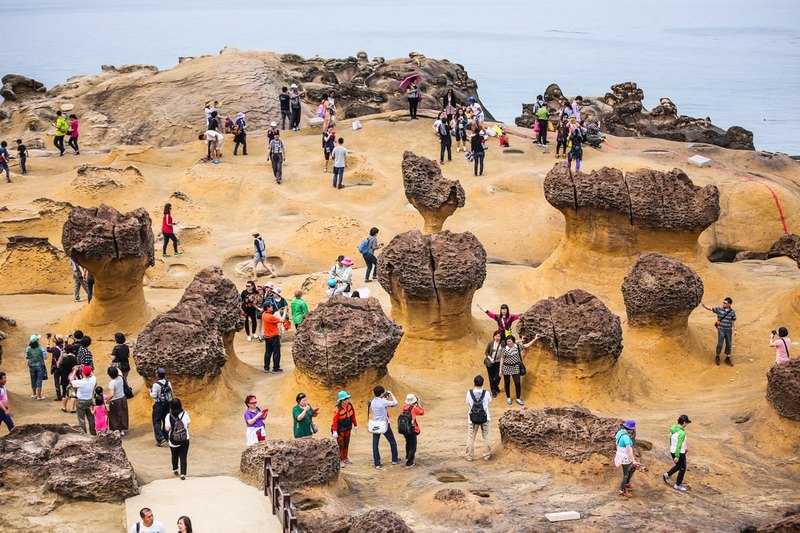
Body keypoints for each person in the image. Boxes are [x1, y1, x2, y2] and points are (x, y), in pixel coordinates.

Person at [500, 335, 540, 406]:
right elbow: (502, 359)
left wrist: (535, 338)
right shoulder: (504, 349)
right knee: (507, 383)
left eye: (510, 341)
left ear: (513, 341)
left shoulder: (517, 346)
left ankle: (518, 398)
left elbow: (527, 345)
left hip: (515, 367)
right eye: (507, 341)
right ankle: (508, 397)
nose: (508, 343)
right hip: (506, 367)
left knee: (517, 382)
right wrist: (500, 370)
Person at [369, 386, 400, 469]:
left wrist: (384, 398)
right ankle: (395, 459)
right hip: (384, 424)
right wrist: (391, 394)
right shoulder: (383, 402)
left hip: (375, 425)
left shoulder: (372, 402)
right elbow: (395, 403)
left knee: (375, 444)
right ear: (382, 393)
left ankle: (377, 463)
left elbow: (379, 402)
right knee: (392, 441)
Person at [701, 297, 737, 366]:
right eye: (723, 302)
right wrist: (704, 305)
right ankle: (717, 356)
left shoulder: (732, 312)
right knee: (720, 343)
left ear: (729, 304)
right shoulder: (719, 309)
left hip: (728, 330)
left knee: (729, 344)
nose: (723, 304)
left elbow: (734, 321)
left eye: (725, 303)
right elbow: (710, 309)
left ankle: (728, 358)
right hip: (721, 329)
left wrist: (735, 330)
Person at [465, 375, 492, 461]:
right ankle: (486, 455)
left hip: (472, 418)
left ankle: (469, 456)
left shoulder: (469, 393)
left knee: (471, 436)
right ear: (482, 383)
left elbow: (467, 403)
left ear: (474, 383)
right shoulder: (486, 393)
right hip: (485, 417)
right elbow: (489, 401)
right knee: (486, 436)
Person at [663, 414, 691, 492]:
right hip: (679, 452)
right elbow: (679, 445)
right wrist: (677, 456)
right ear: (684, 422)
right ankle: (677, 485)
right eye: (687, 423)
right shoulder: (681, 433)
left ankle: (667, 475)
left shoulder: (673, 428)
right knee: (682, 468)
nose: (687, 424)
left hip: (673, 450)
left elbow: (671, 440)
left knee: (679, 466)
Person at [165, 398, 191, 479]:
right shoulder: (185, 414)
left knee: (174, 455)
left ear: (171, 406)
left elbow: (167, 428)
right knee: (183, 456)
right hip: (185, 439)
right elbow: (187, 425)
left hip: (174, 440)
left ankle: (175, 469)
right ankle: (183, 474)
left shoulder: (168, 416)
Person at [331, 391, 357, 467]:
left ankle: (345, 457)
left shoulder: (350, 406)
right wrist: (335, 431)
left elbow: (353, 416)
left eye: (347, 399)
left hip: (348, 428)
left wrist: (355, 425)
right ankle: (340, 459)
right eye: (345, 399)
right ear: (341, 400)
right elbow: (335, 420)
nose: (347, 400)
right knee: (340, 445)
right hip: (340, 430)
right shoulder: (337, 408)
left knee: (346, 444)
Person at [615, 419, 640, 497]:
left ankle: (627, 483)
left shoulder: (620, 432)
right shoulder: (625, 437)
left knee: (632, 468)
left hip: (621, 455)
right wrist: (634, 460)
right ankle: (622, 490)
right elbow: (629, 450)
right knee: (626, 474)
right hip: (625, 457)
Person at [400, 393, 424, 468]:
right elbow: (422, 412)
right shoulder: (414, 408)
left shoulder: (404, 407)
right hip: (411, 429)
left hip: (404, 429)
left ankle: (408, 456)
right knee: (413, 446)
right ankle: (409, 463)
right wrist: (419, 404)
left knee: (408, 443)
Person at [150, 368, 173, 446]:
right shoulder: (168, 383)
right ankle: (166, 436)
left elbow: (153, 395)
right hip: (167, 404)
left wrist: (150, 391)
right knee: (165, 420)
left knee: (156, 421)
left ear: (157, 375)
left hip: (159, 405)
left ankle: (160, 438)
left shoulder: (156, 385)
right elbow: (171, 392)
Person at [71, 365, 97, 435]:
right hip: (89, 400)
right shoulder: (93, 379)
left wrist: (74, 371)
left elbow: (71, 380)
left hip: (81, 401)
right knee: (91, 418)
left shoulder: (80, 382)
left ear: (82, 373)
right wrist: (90, 370)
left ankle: (84, 434)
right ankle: (93, 433)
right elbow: (93, 376)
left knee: (81, 419)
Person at [262, 304, 285, 373]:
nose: (272, 307)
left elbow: (273, 316)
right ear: (267, 308)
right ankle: (276, 368)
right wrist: (285, 312)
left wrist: (278, 311)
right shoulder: (270, 317)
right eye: (271, 306)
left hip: (267, 337)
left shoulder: (264, 314)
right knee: (276, 353)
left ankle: (266, 368)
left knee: (268, 352)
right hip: (274, 337)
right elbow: (282, 320)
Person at [107, 366, 129, 436]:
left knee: (114, 416)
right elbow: (119, 371)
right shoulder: (120, 377)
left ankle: (117, 430)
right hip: (123, 398)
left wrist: (106, 400)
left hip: (115, 401)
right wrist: (115, 367)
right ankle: (122, 430)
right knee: (122, 414)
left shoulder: (112, 383)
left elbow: (111, 394)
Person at [25, 334, 47, 400]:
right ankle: (39, 396)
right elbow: (45, 357)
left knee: (33, 379)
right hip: (40, 365)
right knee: (39, 380)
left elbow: (26, 356)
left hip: (31, 365)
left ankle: (34, 394)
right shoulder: (40, 347)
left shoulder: (28, 348)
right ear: (37, 340)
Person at [58, 344, 78, 413]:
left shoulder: (63, 359)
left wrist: (61, 355)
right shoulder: (75, 359)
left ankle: (64, 407)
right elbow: (77, 368)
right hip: (73, 377)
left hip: (64, 377)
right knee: (73, 393)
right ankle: (72, 408)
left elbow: (58, 365)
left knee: (64, 392)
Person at [484, 331, 503, 397]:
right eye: (496, 336)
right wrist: (490, 358)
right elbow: (486, 352)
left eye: (499, 336)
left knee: (498, 376)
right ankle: (493, 391)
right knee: (491, 377)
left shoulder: (502, 343)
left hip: (498, 362)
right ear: (494, 336)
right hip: (491, 362)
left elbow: (511, 342)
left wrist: (521, 340)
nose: (497, 337)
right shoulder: (490, 343)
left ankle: (495, 386)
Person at [46, 334, 64, 401]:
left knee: (56, 381)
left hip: (56, 367)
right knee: (64, 381)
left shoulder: (54, 348)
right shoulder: (65, 346)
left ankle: (59, 396)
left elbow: (48, 349)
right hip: (64, 366)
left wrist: (48, 341)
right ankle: (64, 394)